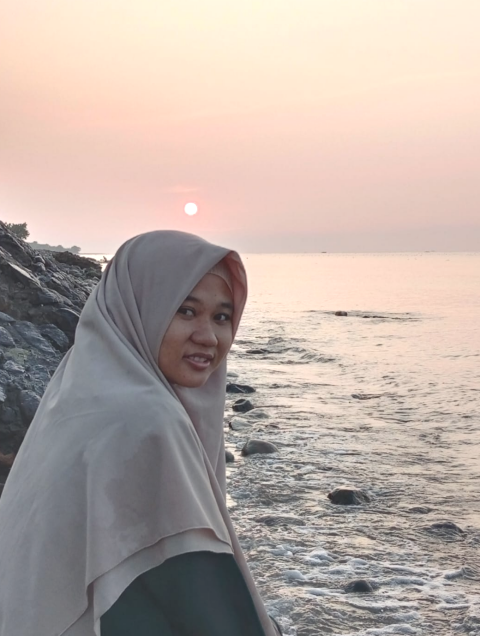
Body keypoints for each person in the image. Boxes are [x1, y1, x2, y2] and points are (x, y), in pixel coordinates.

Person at [0, 231, 281, 636]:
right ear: (138, 308)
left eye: (222, 317)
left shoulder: (78, 390)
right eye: (186, 311)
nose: (208, 336)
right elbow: (208, 601)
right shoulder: (147, 421)